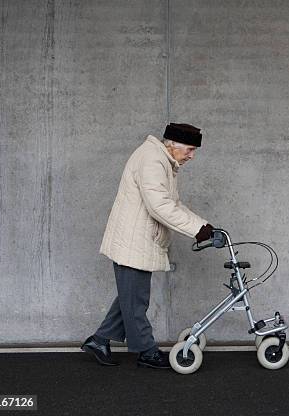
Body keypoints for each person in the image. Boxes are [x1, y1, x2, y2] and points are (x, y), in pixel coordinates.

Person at [81, 123, 215, 369]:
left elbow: (172, 203)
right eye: (190, 149)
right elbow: (159, 206)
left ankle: (99, 340)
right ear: (172, 144)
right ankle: (146, 351)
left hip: (138, 240)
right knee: (136, 301)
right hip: (133, 242)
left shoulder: (162, 161)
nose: (191, 155)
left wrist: (204, 226)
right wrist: (197, 230)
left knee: (130, 297)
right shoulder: (153, 161)